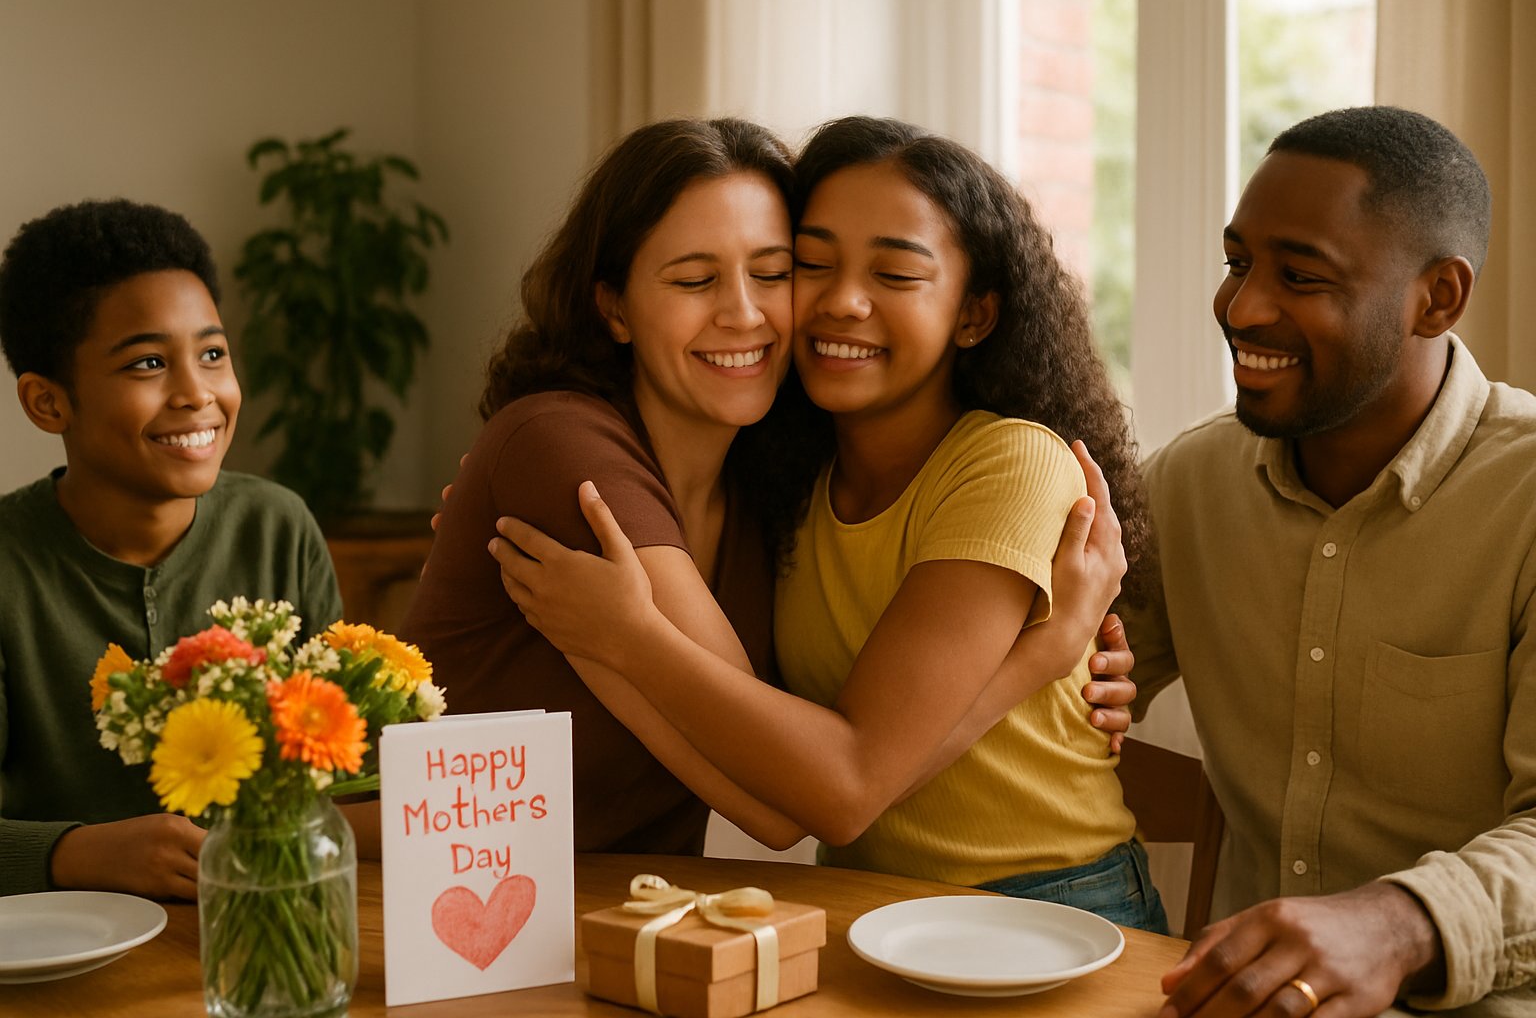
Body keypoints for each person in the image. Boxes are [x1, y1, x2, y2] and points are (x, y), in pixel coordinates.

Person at [493, 116, 1167, 931]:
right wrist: (1041, 656)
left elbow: (847, 786)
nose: (843, 301)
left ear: (976, 314)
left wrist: (630, 639)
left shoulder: (1010, 463)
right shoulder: (781, 483)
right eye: (811, 265)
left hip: (1050, 905)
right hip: (863, 908)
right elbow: (796, 778)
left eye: (895, 274)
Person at [1117, 106, 1536, 1016]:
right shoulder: (1188, 483)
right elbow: (1057, 703)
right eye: (1237, 264)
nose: (1243, 307)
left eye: (1300, 276)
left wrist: (1395, 922)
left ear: (1439, 298)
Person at [0, 199, 343, 899]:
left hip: (260, 929)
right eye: (149, 363)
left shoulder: (278, 528)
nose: (198, 394)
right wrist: (76, 853)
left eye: (212, 354)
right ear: (47, 403)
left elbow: (337, 770)